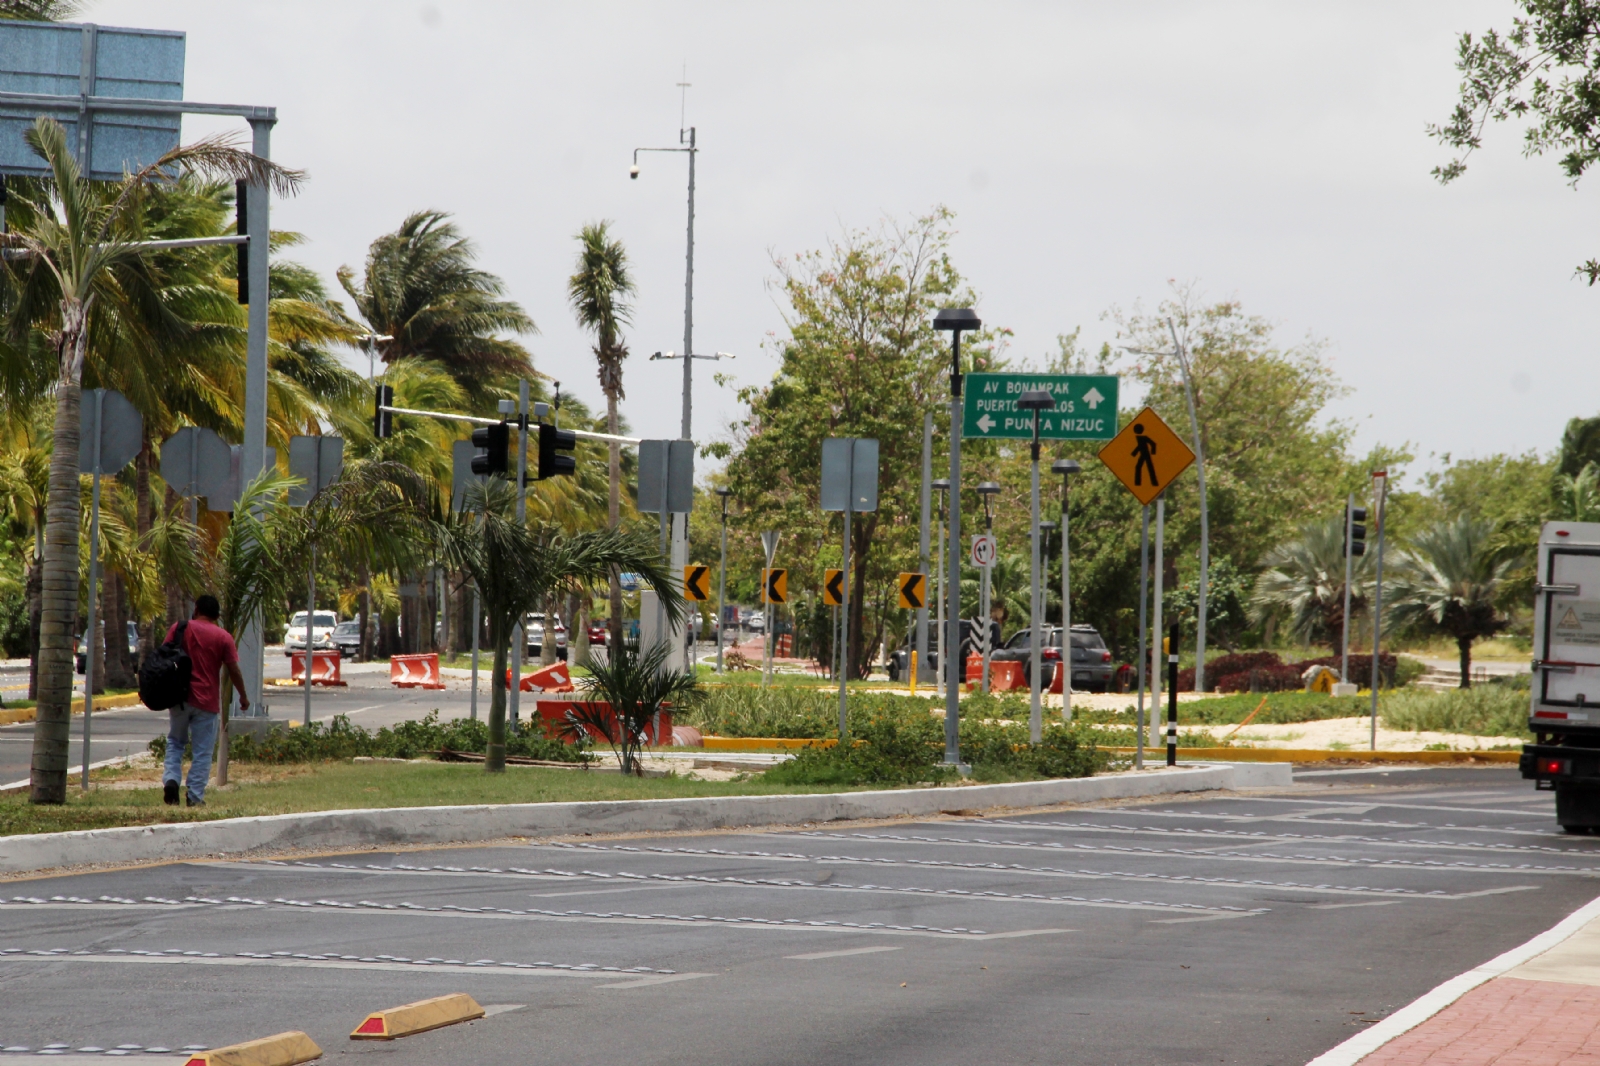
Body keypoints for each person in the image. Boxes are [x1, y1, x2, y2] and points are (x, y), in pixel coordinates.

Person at [163, 594, 248, 807]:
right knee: (202, 751)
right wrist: (243, 696)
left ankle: (172, 779)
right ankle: (194, 797)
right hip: (207, 702)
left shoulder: (179, 628)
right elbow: (234, 670)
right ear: (217, 615)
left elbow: (162, 657)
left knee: (175, 741)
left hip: (180, 698)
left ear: (197, 609)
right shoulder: (223, 637)